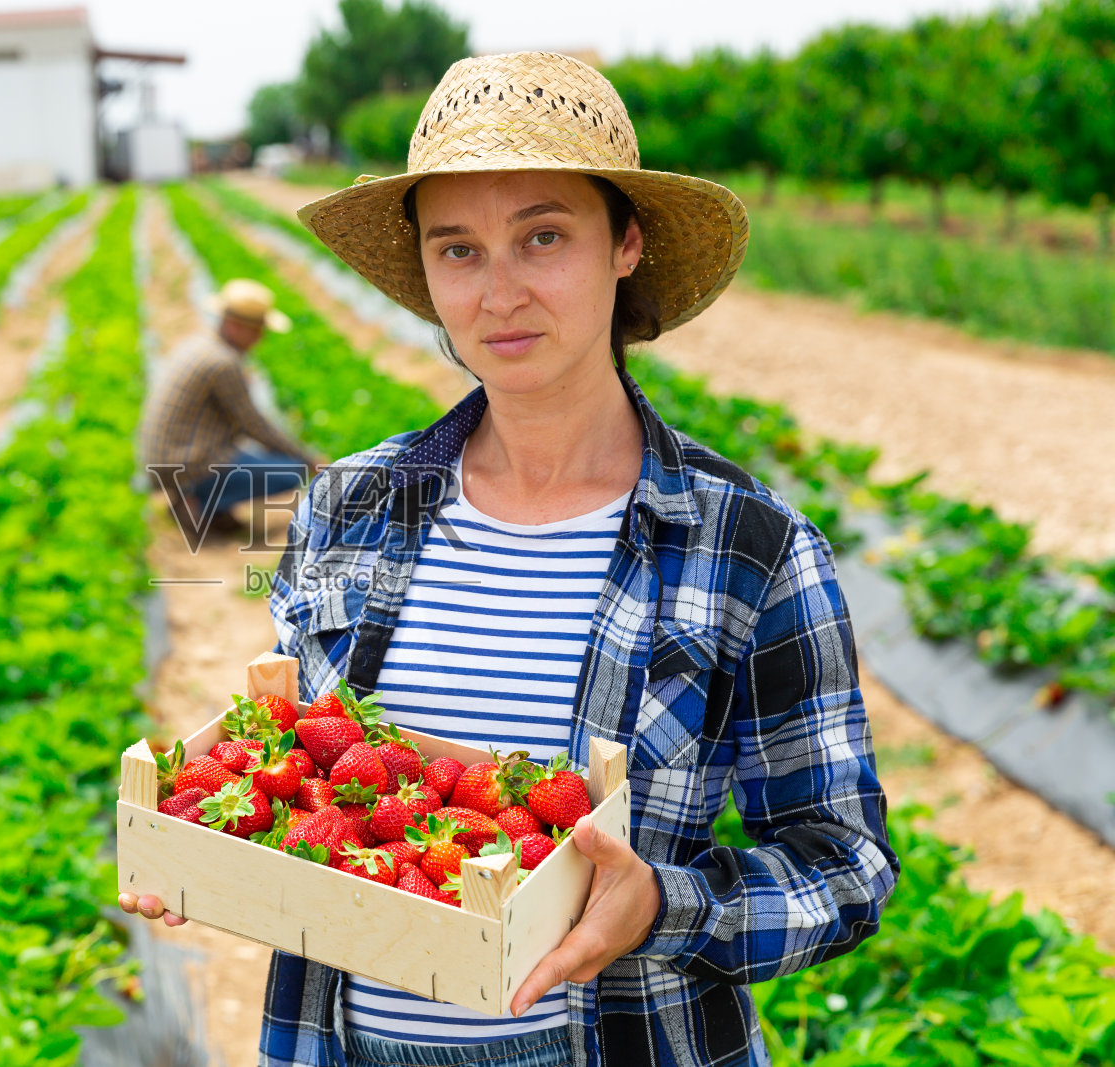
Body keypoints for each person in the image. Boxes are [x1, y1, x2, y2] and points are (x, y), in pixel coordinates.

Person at [121, 52, 898, 1067]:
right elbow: (309, 777)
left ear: (624, 243)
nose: (499, 293)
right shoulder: (346, 508)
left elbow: (844, 866)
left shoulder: (746, 548)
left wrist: (664, 901)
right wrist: (222, 854)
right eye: (458, 250)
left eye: (542, 235)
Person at [139, 278, 323, 539]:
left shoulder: (202, 345)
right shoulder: (223, 363)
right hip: (186, 466)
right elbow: (255, 425)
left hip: (166, 462)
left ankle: (209, 505)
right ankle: (199, 503)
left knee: (251, 457)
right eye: (257, 330)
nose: (261, 337)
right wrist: (308, 459)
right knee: (290, 470)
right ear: (236, 327)